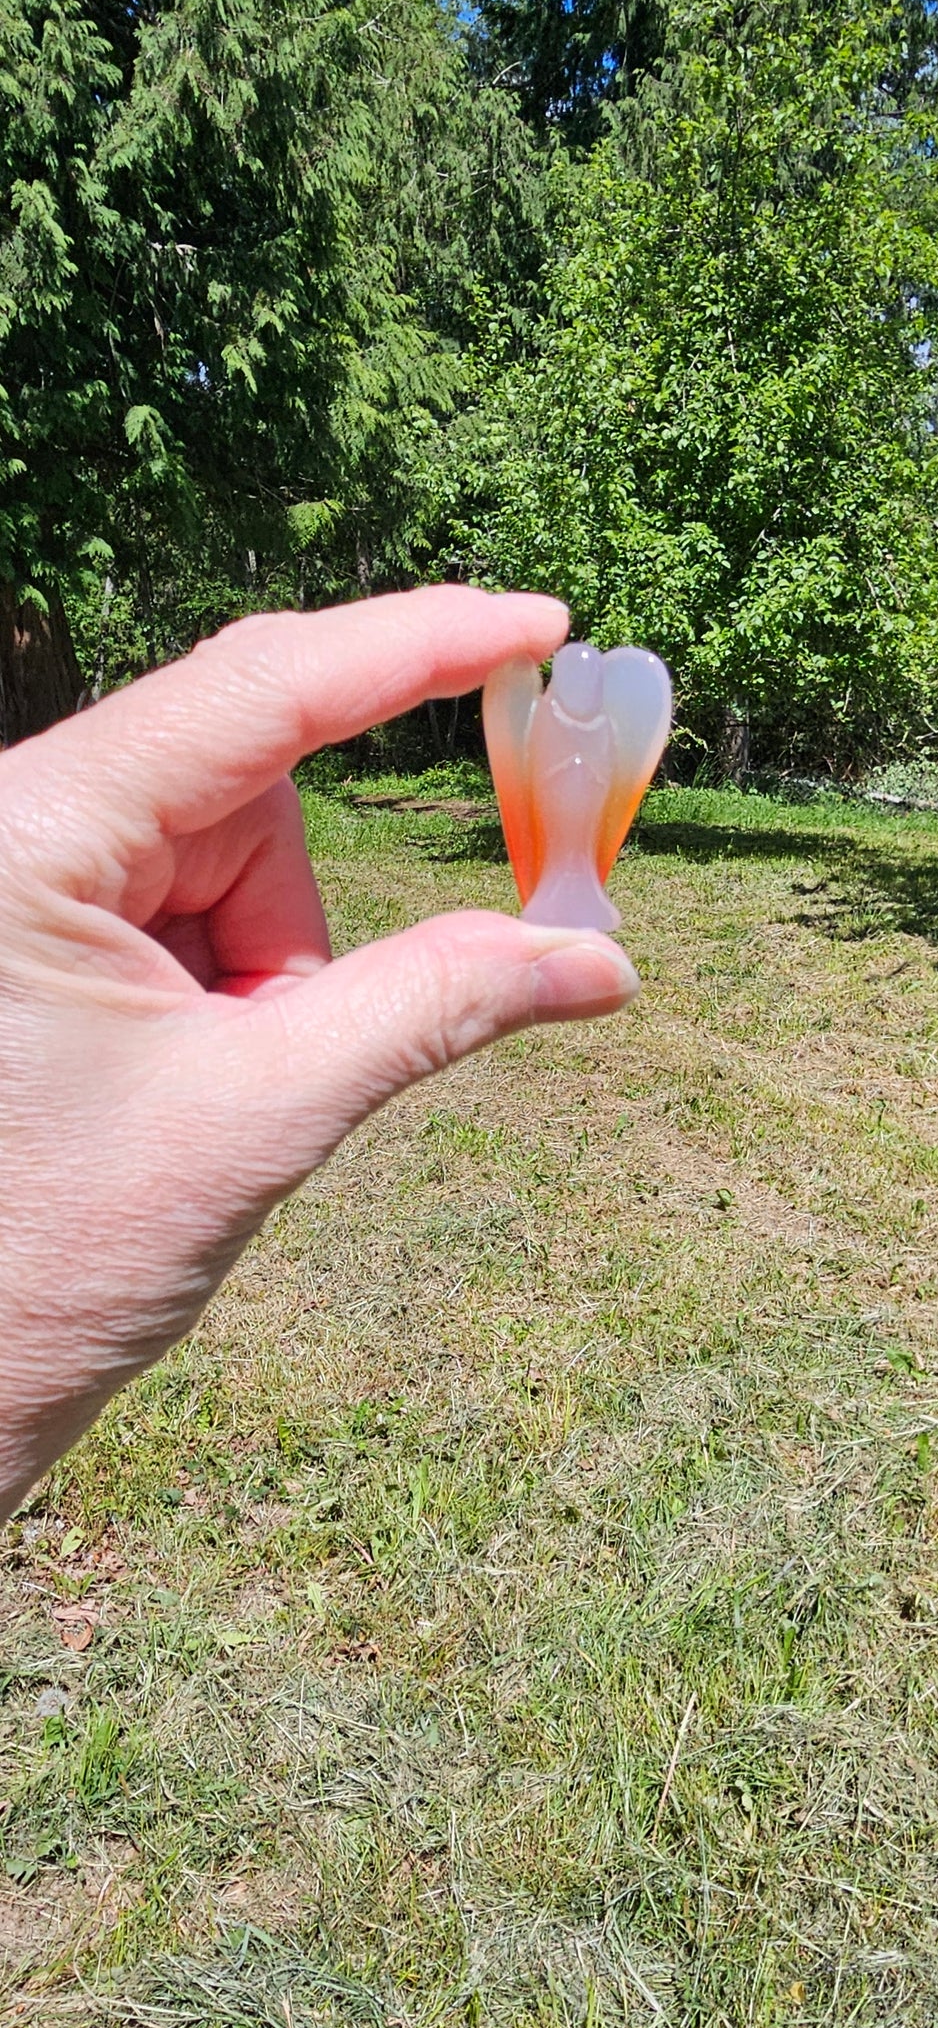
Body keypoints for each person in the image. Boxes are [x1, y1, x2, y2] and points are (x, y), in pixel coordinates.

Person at [0, 586, 638, 1525]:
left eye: (589, 685)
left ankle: (571, 889)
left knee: (577, 847)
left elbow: (596, 780)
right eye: (569, 686)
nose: (577, 698)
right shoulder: (534, 728)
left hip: (580, 844)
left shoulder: (597, 738)